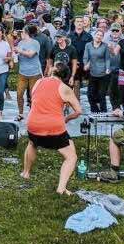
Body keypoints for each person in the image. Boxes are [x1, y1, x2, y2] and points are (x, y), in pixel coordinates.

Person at [21, 62, 82, 194]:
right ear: (65, 76)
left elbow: (36, 99)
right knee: (71, 157)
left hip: (33, 123)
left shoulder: (38, 82)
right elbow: (78, 111)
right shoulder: (65, 88)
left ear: (53, 71)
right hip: (53, 127)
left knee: (32, 143)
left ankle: (26, 173)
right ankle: (61, 188)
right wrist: (66, 118)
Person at [14, 25, 43, 122]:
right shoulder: (20, 43)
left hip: (34, 73)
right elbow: (18, 56)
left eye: (22, 32)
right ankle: (20, 113)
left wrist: (19, 51)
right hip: (23, 73)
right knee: (19, 94)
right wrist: (14, 56)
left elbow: (31, 54)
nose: (20, 33)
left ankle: (34, 113)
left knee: (33, 95)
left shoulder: (35, 43)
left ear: (26, 33)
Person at [83, 28, 114, 113]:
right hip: (92, 73)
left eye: (101, 35)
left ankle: (104, 112)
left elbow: (107, 59)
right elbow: (85, 57)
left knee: (101, 95)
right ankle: (94, 111)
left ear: (103, 37)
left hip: (103, 73)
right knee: (90, 94)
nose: (99, 37)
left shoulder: (105, 46)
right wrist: (86, 65)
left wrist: (108, 68)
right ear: (94, 35)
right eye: (98, 35)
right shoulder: (88, 45)